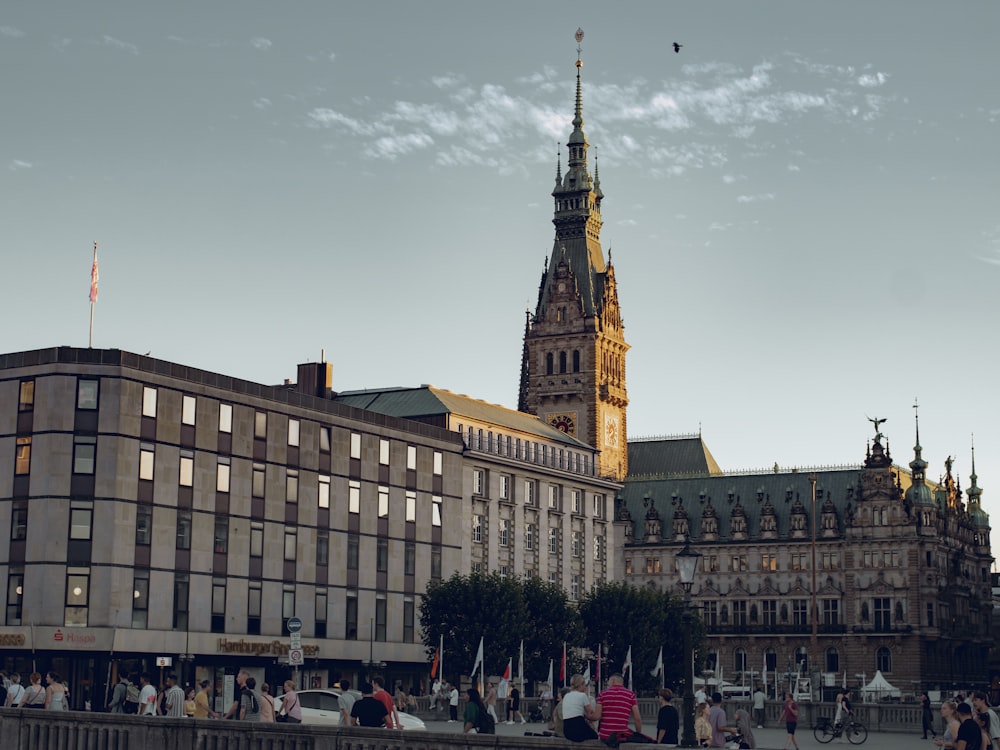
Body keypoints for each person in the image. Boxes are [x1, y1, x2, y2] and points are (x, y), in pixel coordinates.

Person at [596, 673, 643, 741]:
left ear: (613, 681)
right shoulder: (631, 695)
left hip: (605, 735)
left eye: (608, 681)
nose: (608, 684)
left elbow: (597, 715)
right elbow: (637, 718)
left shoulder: (602, 694)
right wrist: (638, 734)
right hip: (621, 736)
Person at [562, 673, 599, 742]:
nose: (585, 687)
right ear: (581, 684)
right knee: (595, 736)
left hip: (567, 730)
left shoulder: (566, 696)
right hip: (577, 727)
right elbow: (590, 713)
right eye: (585, 685)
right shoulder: (582, 695)